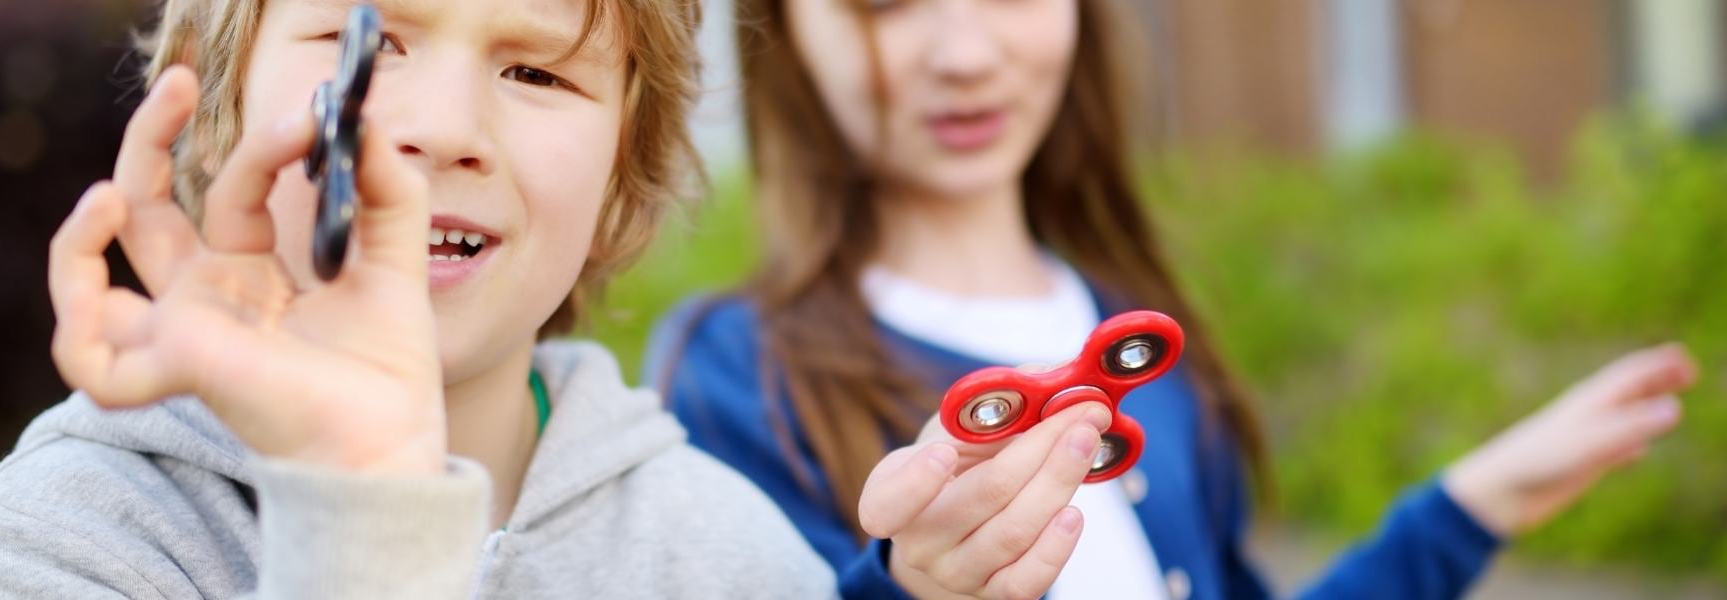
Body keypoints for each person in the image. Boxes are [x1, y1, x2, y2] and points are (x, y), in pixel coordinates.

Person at [647, 0, 1701, 598]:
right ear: (787, 28)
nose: (964, 54)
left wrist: (1474, 506)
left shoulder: (1144, 336)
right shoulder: (731, 373)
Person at [0, 0, 835, 597]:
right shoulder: (75, 531)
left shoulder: (736, 562)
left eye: (537, 73)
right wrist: (364, 506)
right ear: (210, 105)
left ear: (616, 178)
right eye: (364, 45)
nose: (446, 129)